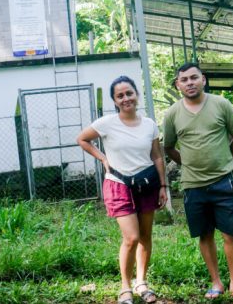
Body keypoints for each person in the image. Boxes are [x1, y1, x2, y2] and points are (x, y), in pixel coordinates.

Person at [163, 63, 233, 304]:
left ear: (203, 80)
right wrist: (188, 164)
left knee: (230, 234)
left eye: (194, 78)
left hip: (223, 181)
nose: (190, 82)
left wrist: (225, 159)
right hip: (193, 185)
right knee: (205, 235)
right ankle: (216, 282)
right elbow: (168, 147)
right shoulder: (172, 113)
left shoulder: (221, 104)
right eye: (184, 79)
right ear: (178, 85)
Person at [77, 75, 167, 304]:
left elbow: (157, 156)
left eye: (129, 93)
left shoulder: (149, 124)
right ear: (115, 101)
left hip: (147, 184)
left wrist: (163, 185)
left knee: (146, 236)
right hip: (118, 185)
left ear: (136, 95)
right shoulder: (106, 123)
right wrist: (103, 159)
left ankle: (142, 282)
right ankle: (125, 287)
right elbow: (83, 139)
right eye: (120, 96)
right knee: (132, 237)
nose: (126, 98)